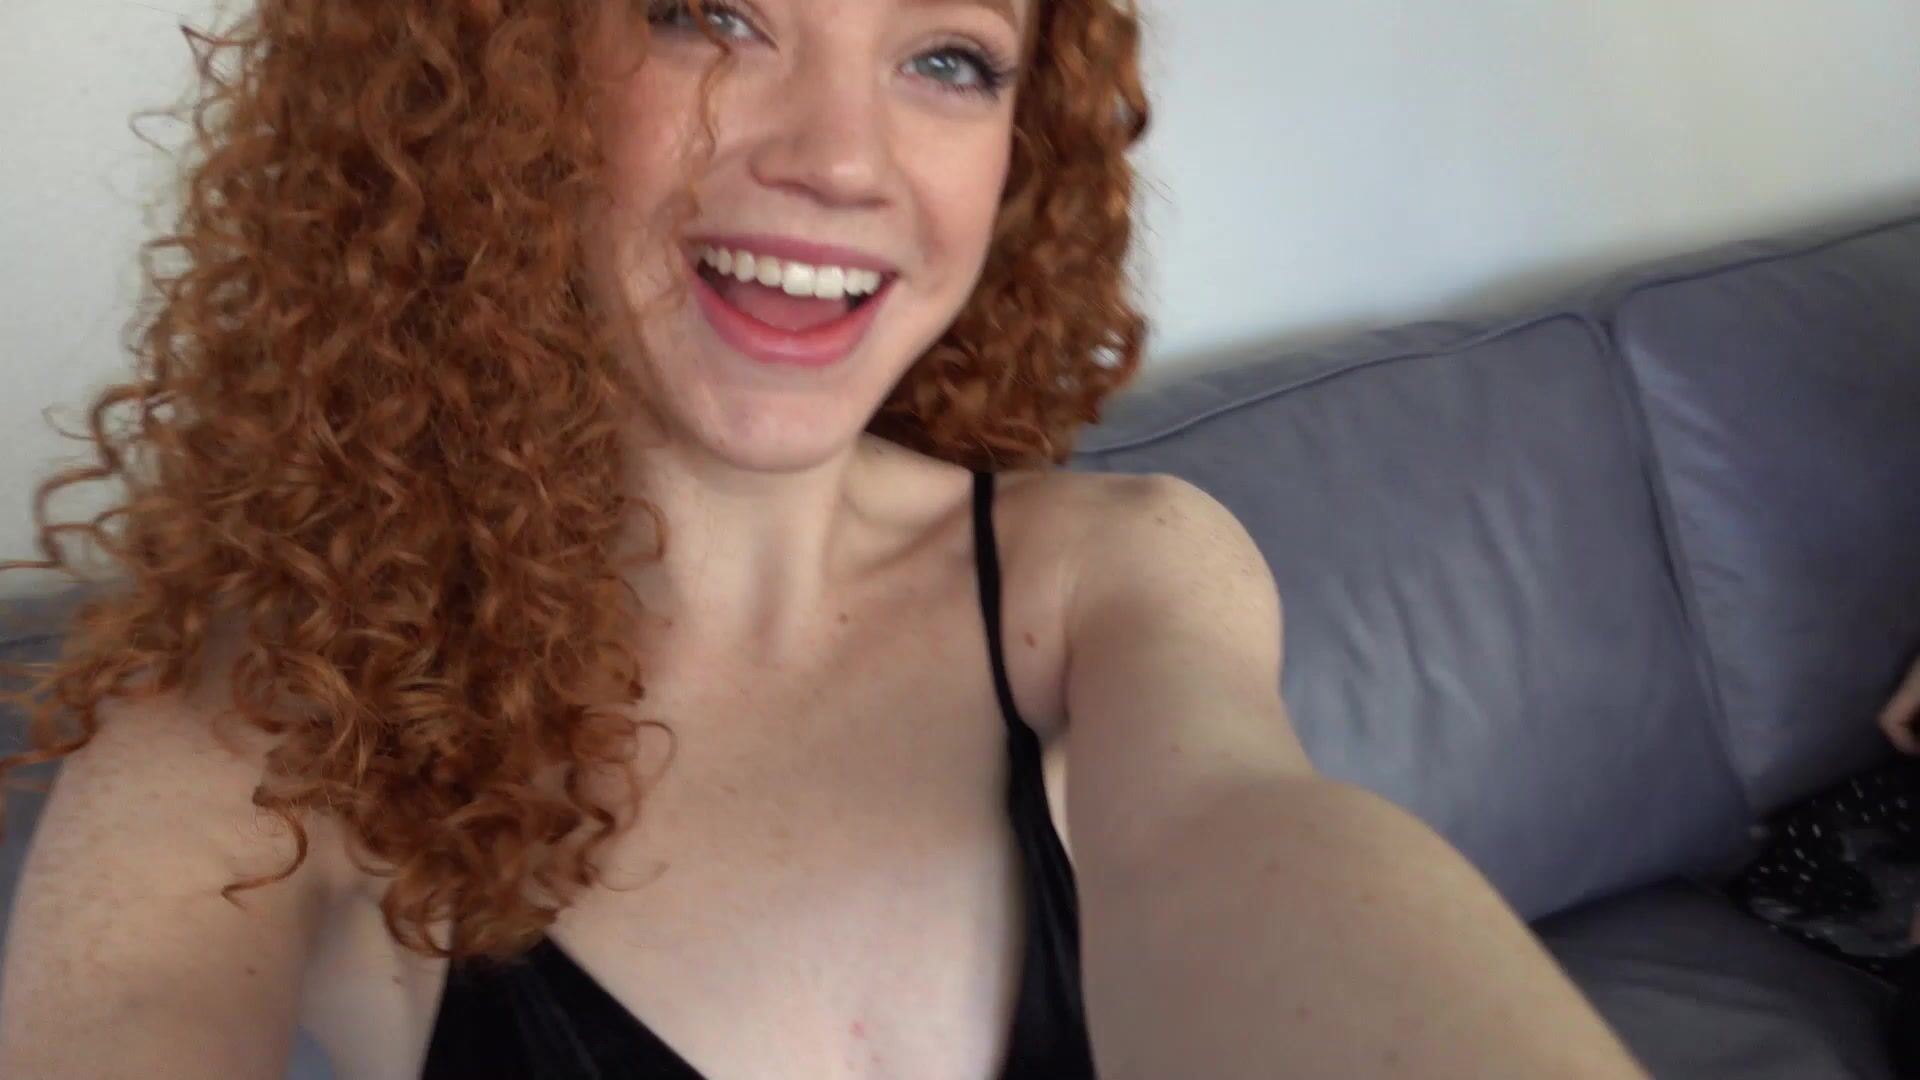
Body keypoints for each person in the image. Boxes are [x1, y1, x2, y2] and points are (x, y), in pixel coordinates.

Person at [0, 2, 1648, 1077]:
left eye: (950, 58)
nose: (844, 161)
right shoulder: (253, 729)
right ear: (494, 77)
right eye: (713, 14)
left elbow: (1238, 841)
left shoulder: (1119, 573)